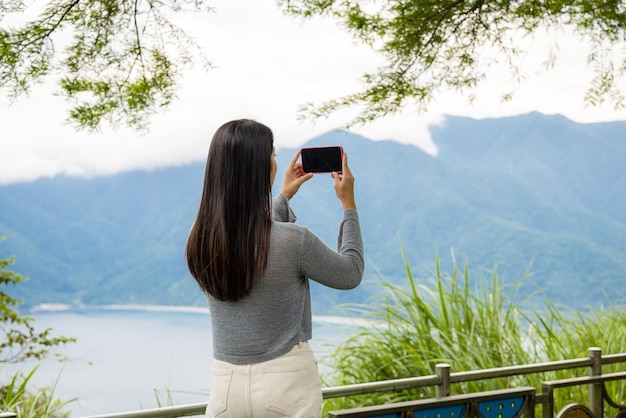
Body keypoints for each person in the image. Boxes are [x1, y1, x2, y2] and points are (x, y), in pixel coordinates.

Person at [185, 119, 365, 418]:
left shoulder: (200, 238)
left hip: (225, 385)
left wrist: (284, 197)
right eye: (272, 155)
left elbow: (252, 239)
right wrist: (349, 205)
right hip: (287, 379)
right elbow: (350, 273)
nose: (274, 162)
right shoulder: (296, 241)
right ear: (260, 168)